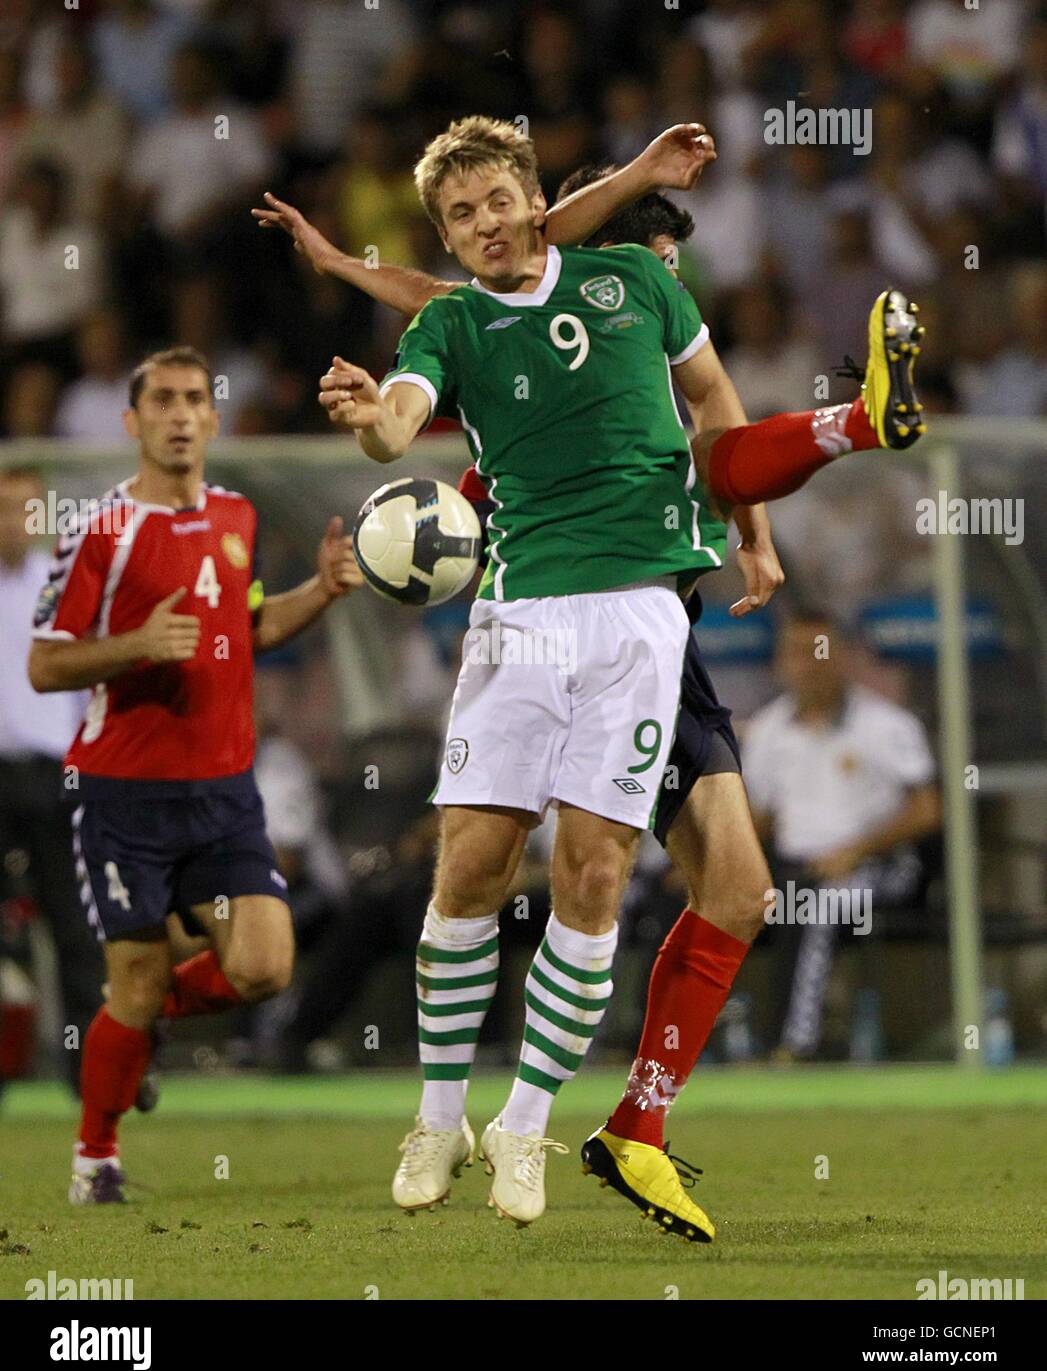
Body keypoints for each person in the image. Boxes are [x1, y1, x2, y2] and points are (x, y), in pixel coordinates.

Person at [261, 119, 927, 1239]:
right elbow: (411, 388)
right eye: (458, 215)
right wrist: (378, 416)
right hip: (523, 618)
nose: (484, 225)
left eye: (499, 203)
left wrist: (755, 540)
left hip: (644, 621)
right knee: (480, 864)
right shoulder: (460, 325)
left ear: (536, 201)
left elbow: (715, 419)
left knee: (643, 878)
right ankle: (472, 1118)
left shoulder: (631, 289)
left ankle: (558, 1123)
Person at [26, 345, 363, 1205]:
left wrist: (319, 592)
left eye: (192, 400)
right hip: (120, 792)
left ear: (212, 419)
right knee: (135, 978)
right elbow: (44, 665)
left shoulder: (236, 518)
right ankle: (94, 1159)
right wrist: (137, 646)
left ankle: (131, 1030)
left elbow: (244, 627)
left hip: (224, 790)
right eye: (162, 401)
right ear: (134, 422)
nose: (179, 415)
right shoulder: (98, 531)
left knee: (262, 969)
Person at [743, 610, 941, 1060]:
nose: (809, 663)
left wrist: (854, 851)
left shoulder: (886, 725)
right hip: (793, 870)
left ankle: (794, 1046)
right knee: (706, 904)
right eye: (797, 652)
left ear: (844, 658)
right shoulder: (768, 730)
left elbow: (927, 810)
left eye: (820, 651)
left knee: (815, 906)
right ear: (780, 661)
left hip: (879, 868)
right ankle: (665, 1046)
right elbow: (763, 819)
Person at [0, 466, 100, 1096]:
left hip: (55, 775)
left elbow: (91, 684)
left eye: (25, 509)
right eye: (5, 507)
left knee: (75, 928)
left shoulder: (65, 589)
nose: (15, 521)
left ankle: (90, 1074)